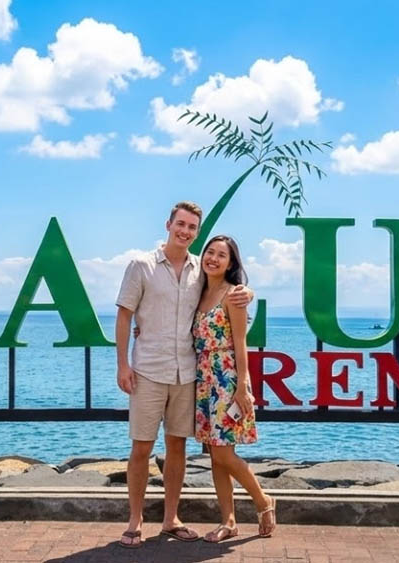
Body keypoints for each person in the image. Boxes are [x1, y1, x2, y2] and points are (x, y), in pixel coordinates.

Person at [114, 201, 252, 549]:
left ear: (196, 232)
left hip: (188, 374)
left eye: (192, 227)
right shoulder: (141, 266)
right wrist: (122, 365)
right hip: (147, 370)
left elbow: (228, 289)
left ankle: (171, 519)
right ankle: (134, 521)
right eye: (181, 224)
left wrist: (247, 292)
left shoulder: (200, 271)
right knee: (141, 448)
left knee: (177, 447)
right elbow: (124, 317)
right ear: (168, 224)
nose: (185, 231)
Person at [193, 234, 275, 542]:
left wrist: (243, 386)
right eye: (209, 252)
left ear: (231, 263)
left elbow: (241, 344)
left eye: (221, 255)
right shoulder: (198, 292)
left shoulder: (234, 295)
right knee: (216, 455)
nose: (213, 258)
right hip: (203, 380)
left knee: (225, 454)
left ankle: (263, 501)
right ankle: (228, 521)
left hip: (226, 378)